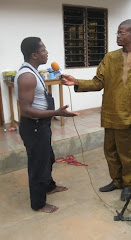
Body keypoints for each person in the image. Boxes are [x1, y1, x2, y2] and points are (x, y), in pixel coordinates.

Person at [61, 19, 131, 201]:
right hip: (110, 114)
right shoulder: (110, 58)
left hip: (129, 117)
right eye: (117, 33)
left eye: (122, 33)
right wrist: (77, 82)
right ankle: (117, 181)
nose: (118, 36)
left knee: (127, 154)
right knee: (110, 151)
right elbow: (98, 83)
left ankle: (128, 184)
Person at [14, 37, 79, 213]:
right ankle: (38, 203)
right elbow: (26, 110)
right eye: (43, 50)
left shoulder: (34, 71)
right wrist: (56, 113)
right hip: (34, 127)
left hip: (41, 125)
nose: (47, 52)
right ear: (34, 54)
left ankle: (49, 186)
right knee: (38, 165)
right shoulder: (27, 76)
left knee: (47, 158)